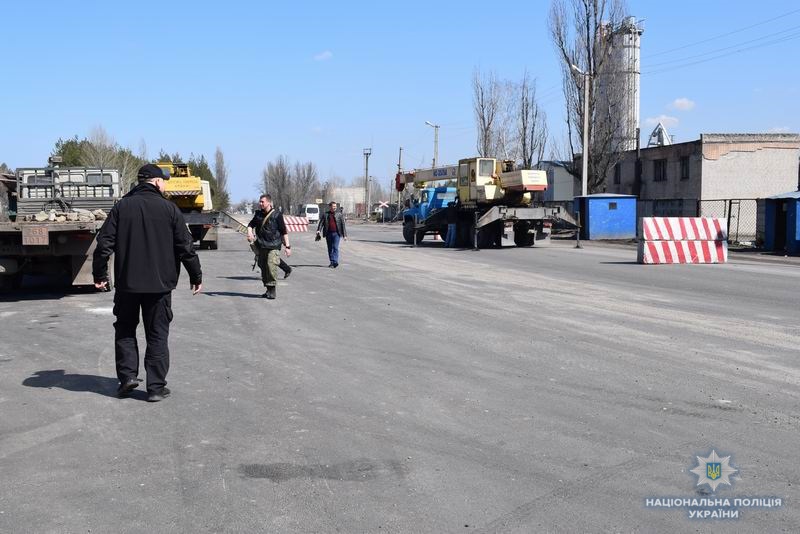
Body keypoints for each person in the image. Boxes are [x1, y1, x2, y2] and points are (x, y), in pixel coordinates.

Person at [93, 163, 202, 402]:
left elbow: (104, 244)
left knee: (125, 329)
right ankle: (155, 388)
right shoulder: (170, 209)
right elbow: (185, 247)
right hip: (159, 286)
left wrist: (100, 275)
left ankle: (127, 378)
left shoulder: (121, 207)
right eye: (163, 181)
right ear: (156, 181)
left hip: (127, 285)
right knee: (157, 334)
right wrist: (196, 276)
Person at [247, 194, 291, 298]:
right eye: (260, 201)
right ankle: (268, 290)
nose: (260, 203)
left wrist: (288, 247)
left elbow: (284, 232)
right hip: (261, 246)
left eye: (262, 202)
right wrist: (249, 233)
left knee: (271, 266)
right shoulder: (258, 214)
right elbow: (250, 225)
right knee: (263, 267)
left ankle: (272, 290)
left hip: (273, 246)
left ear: (269, 202)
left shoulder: (277, 215)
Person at [316, 201, 347, 268]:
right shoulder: (326, 214)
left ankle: (335, 261)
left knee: (335, 247)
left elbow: (343, 225)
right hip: (328, 233)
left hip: (337, 234)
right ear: (330, 207)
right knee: (330, 248)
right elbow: (321, 223)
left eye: (335, 206)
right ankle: (332, 262)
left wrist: (345, 235)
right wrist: (318, 230)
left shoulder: (339, 214)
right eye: (333, 206)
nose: (334, 207)